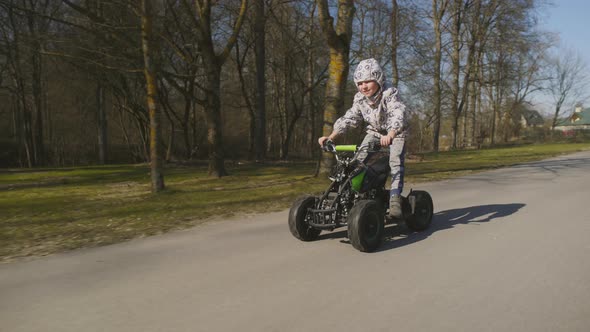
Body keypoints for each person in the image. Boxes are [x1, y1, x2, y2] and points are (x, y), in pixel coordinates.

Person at [318, 58, 408, 218]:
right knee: (357, 162)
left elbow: (397, 112)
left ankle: (395, 199)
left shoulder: (390, 93)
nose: (363, 86)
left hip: (396, 132)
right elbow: (350, 118)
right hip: (374, 132)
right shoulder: (359, 98)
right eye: (359, 83)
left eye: (367, 81)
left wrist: (391, 134)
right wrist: (331, 137)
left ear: (378, 79)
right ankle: (354, 194)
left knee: (395, 162)